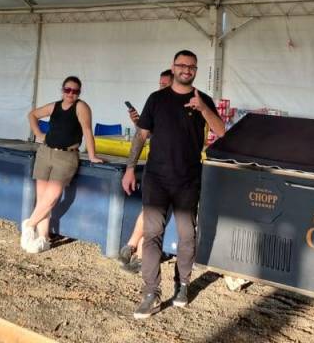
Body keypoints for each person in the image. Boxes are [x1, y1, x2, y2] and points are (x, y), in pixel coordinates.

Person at [122, 50, 225, 319]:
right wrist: (130, 168)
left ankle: (183, 284)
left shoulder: (203, 99)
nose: (186, 70)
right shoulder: (156, 99)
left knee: (187, 234)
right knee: (152, 234)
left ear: (196, 70)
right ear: (173, 67)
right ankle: (151, 292)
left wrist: (203, 109)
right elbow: (141, 135)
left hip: (188, 179)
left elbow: (221, 131)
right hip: (156, 178)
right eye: (182, 65)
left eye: (192, 67)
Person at [23, 76, 102, 254]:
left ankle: (29, 225)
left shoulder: (81, 107)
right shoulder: (55, 106)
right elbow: (32, 114)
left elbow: (87, 131)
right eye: (67, 90)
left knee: (51, 199)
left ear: (79, 93)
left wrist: (92, 155)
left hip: (66, 156)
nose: (70, 93)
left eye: (75, 91)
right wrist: (38, 134)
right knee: (42, 200)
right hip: (46, 152)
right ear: (62, 90)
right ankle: (43, 238)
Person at [118, 68, 174, 273]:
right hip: (157, 165)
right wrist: (138, 122)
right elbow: (148, 134)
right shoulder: (156, 103)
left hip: (171, 167)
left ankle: (133, 247)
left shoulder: (181, 105)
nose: (161, 87)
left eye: (165, 84)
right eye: (160, 84)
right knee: (152, 209)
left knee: (152, 210)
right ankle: (137, 252)